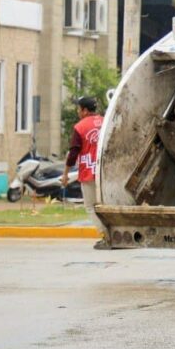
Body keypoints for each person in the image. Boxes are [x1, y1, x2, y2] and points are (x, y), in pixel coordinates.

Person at [62, 96, 105, 246]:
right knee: (105, 205)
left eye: (79, 108)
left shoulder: (80, 127)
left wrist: (65, 174)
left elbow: (73, 153)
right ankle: (113, 233)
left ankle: (106, 235)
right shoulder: (105, 121)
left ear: (85, 111)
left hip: (89, 172)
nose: (78, 111)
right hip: (105, 171)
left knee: (91, 206)